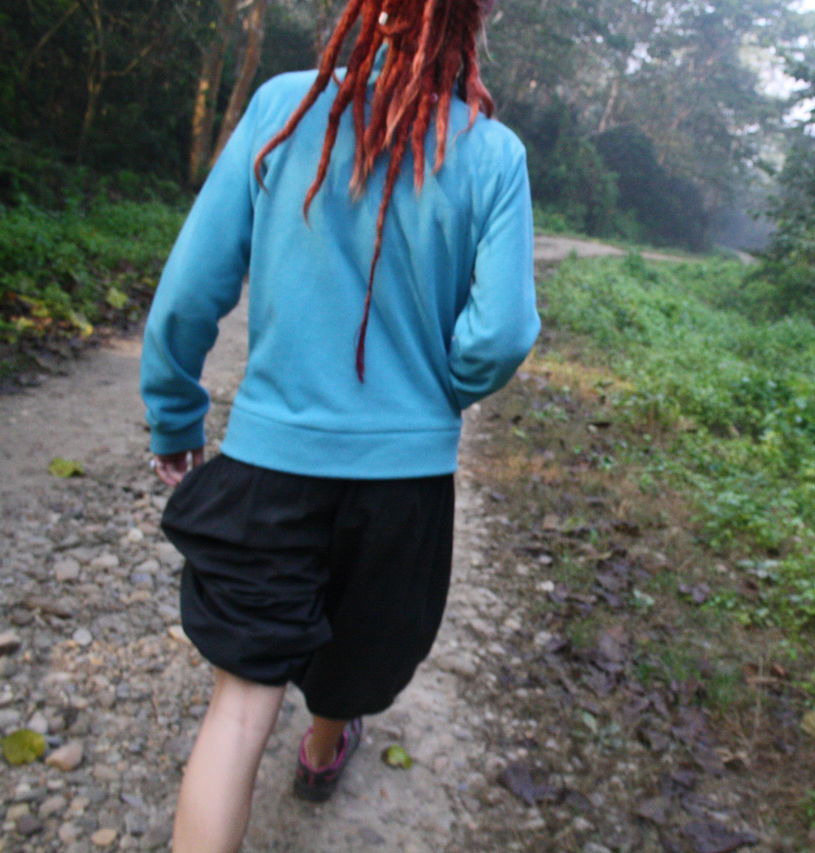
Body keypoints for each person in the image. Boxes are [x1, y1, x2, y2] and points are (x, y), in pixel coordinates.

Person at [139, 1, 539, 849]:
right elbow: (501, 332)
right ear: (474, 24)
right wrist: (438, 391)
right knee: (361, 647)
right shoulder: (493, 153)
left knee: (240, 706)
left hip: (269, 466)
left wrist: (175, 407)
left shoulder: (285, 107)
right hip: (405, 485)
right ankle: (324, 745)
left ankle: (302, 743)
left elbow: (190, 287)